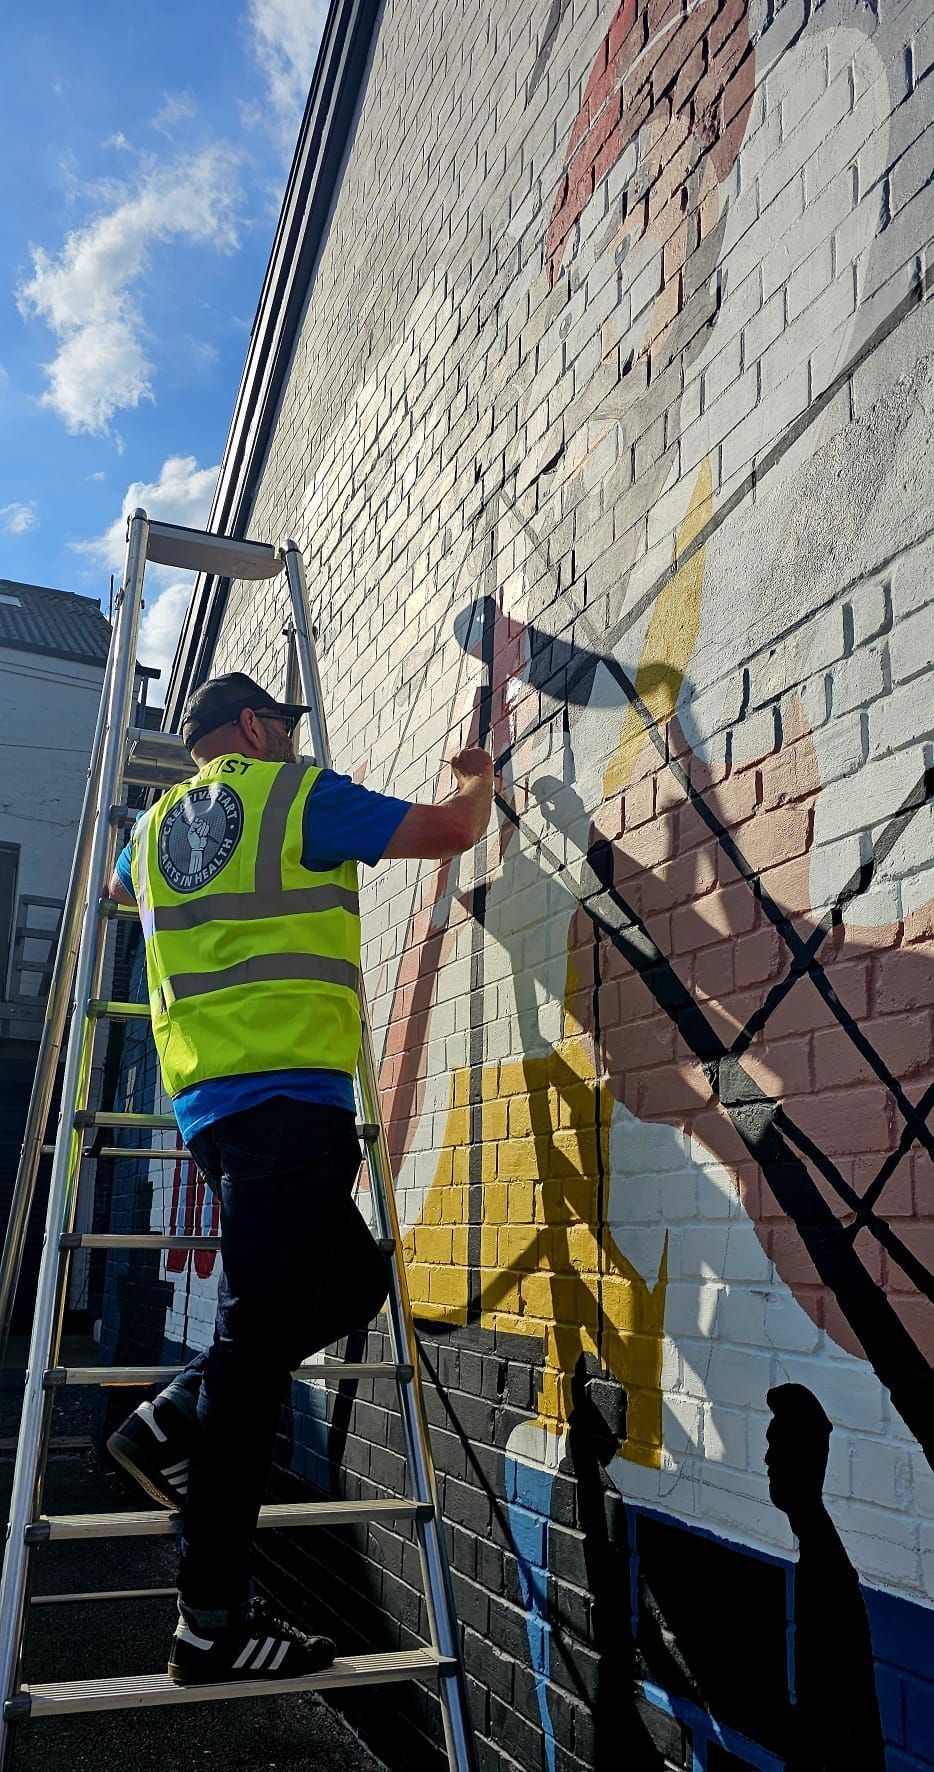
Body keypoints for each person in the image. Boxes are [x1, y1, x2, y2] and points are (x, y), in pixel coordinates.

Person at [105, 670, 493, 1686]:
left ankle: (171, 1416)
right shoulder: (294, 793)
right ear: (249, 725)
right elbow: (449, 832)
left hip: (217, 1113)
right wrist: (480, 779)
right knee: (251, 1362)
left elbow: (113, 888)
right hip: (287, 1107)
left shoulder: (149, 837)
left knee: (352, 1282)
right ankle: (210, 1625)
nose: (287, 734)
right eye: (280, 722)